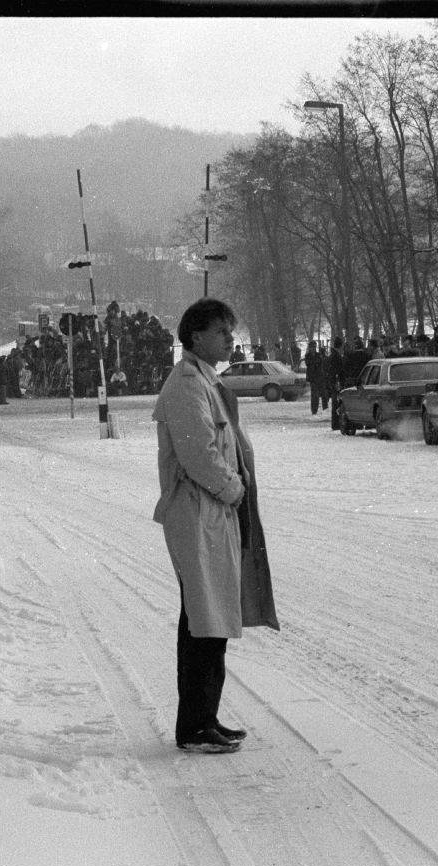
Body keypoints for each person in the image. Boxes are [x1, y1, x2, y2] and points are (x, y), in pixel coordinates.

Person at [152, 299, 278, 754]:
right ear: (196, 336)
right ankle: (196, 725)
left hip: (211, 514)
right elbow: (199, 454)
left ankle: (204, 718)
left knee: (209, 618)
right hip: (198, 512)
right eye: (223, 331)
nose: (230, 339)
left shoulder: (205, 381)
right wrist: (233, 489)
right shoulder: (187, 385)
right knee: (204, 620)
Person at [305, 343, 327, 415]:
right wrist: (315, 361)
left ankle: (325, 409)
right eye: (312, 347)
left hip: (320, 377)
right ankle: (314, 410)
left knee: (324, 394)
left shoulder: (318, 355)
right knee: (315, 395)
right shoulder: (307, 355)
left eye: (315, 347)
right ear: (310, 348)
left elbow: (321, 364)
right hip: (313, 378)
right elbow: (308, 364)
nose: (314, 348)